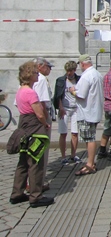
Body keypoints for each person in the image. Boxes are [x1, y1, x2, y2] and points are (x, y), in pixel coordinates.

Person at [10, 61, 55, 208]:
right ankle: (35, 196)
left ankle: (17, 193)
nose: (37, 75)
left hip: (23, 125)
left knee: (23, 161)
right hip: (34, 128)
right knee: (36, 161)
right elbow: (39, 113)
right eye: (36, 73)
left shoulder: (20, 90)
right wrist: (45, 123)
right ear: (30, 75)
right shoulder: (30, 92)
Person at [71, 54, 104, 176]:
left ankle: (90, 163)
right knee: (90, 137)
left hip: (87, 112)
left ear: (82, 64)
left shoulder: (86, 76)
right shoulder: (97, 73)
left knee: (89, 138)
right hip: (93, 110)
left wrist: (73, 91)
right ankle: (91, 162)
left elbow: (81, 94)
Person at [53, 60, 81, 165]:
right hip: (64, 108)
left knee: (75, 133)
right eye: (68, 70)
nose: (69, 73)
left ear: (74, 70)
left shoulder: (79, 79)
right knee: (63, 132)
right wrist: (60, 108)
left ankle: (73, 154)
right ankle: (63, 156)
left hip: (76, 108)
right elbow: (57, 95)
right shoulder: (61, 80)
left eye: (71, 70)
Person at [33, 57, 53, 187]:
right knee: (41, 151)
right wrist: (46, 120)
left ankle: (33, 181)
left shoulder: (27, 79)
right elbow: (42, 103)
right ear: (40, 67)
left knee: (33, 151)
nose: (49, 69)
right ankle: (38, 181)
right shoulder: (40, 79)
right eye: (47, 66)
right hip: (40, 118)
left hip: (31, 118)